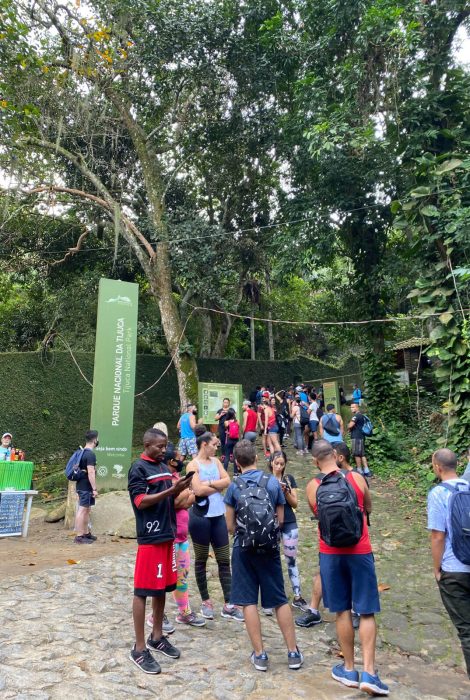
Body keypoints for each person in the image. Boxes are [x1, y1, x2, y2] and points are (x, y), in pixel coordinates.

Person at [306, 440, 388, 696]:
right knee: (365, 611)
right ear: (335, 455)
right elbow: (368, 507)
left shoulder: (313, 486)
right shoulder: (355, 477)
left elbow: (317, 514)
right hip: (360, 550)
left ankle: (349, 669)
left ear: (315, 461)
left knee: (341, 611)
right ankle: (370, 673)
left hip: (330, 554)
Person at [224, 440, 304, 672]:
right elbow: (280, 520)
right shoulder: (271, 483)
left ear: (237, 463)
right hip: (269, 549)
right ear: (258, 459)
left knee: (248, 601)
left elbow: (229, 525)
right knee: (279, 600)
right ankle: (292, 652)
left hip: (243, 549)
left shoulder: (233, 486)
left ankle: (260, 655)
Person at [127, 428, 193, 674]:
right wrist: (171, 491)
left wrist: (182, 490)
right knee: (143, 590)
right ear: (146, 444)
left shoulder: (164, 466)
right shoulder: (138, 468)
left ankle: (157, 636)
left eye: (165, 446)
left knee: (163, 587)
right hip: (150, 537)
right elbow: (141, 501)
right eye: (159, 446)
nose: (164, 450)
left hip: (168, 535)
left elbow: (169, 500)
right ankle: (139, 648)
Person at [187, 431, 243, 621]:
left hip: (218, 516)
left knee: (224, 560)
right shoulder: (192, 465)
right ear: (204, 444)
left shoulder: (217, 462)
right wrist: (216, 486)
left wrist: (209, 483)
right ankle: (206, 601)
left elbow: (228, 481)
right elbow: (197, 489)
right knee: (201, 559)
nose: (216, 447)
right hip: (200, 518)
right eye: (214, 444)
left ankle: (229, 603)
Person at [427, 448, 470, 679]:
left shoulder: (437, 494)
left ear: (438, 467)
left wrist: (437, 569)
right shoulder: (468, 487)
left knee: (466, 631)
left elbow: (438, 536)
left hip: (454, 570)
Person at [269, 451, 308, 613]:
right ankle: (273, 597)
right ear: (271, 462)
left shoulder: (289, 479)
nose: (278, 467)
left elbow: (295, 503)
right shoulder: (266, 480)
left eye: (282, 464)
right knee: (271, 560)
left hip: (289, 522)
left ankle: (297, 595)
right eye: (276, 463)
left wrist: (285, 491)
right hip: (271, 523)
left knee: (291, 560)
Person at [74, 430, 99, 545]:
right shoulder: (90, 454)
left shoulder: (82, 452)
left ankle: (86, 533)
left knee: (86, 509)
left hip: (81, 485)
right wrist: (94, 488)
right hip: (86, 486)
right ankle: (79, 536)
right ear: (95, 440)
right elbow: (91, 472)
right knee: (82, 509)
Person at [348, 404, 371, 477]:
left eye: (353, 407)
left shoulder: (356, 416)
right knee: (362, 454)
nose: (351, 409)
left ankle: (359, 470)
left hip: (356, 437)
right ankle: (367, 471)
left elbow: (350, 425)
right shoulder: (362, 415)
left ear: (357, 408)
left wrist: (347, 426)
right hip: (361, 436)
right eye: (351, 407)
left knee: (357, 454)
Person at [223, 408, 240, 473]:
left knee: (227, 456)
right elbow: (239, 430)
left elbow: (226, 430)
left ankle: (224, 471)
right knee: (235, 457)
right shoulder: (237, 421)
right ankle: (235, 473)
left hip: (229, 440)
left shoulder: (226, 422)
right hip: (236, 440)